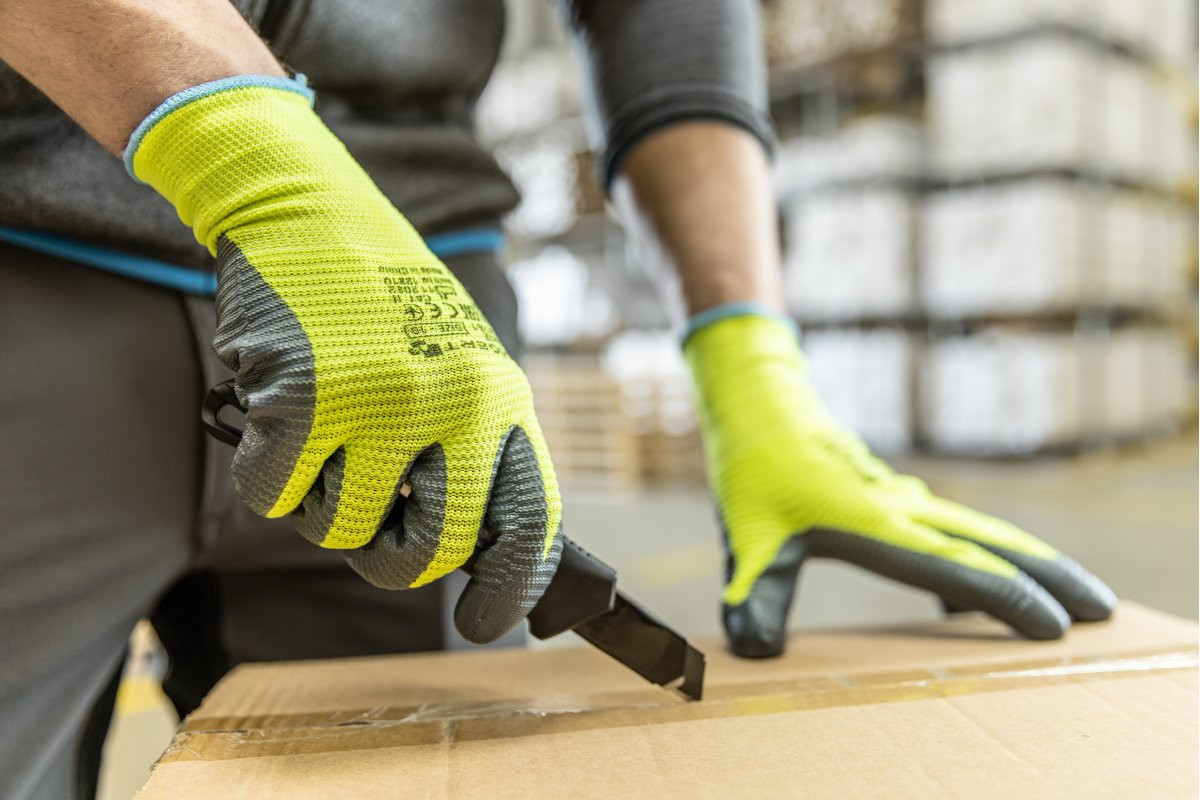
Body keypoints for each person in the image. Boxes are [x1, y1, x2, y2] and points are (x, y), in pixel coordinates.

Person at [0, 1, 1116, 797]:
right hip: (35, 252)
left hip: (424, 305)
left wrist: (750, 363)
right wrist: (251, 161)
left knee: (421, 770)